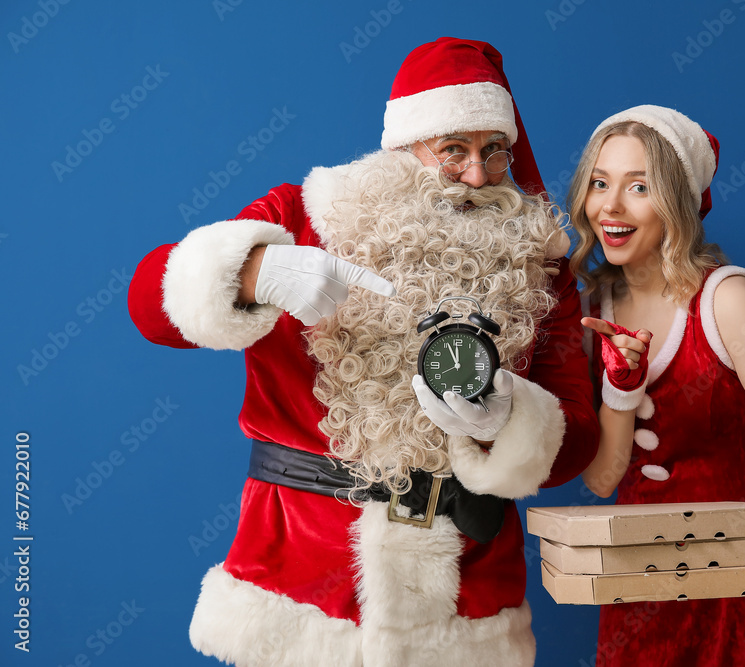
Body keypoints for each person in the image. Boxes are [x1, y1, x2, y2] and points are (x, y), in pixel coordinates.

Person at [128, 37, 598, 667]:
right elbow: (149, 307)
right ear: (403, 149)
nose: (479, 176)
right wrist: (256, 272)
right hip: (303, 582)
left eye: (495, 152)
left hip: (466, 596)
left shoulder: (541, 265)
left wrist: (510, 420)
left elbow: (579, 439)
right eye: (453, 150)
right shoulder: (302, 216)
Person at [567, 105, 745, 666]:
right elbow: (603, 481)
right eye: (599, 184)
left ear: (678, 201)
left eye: (639, 187)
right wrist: (621, 389)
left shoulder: (730, 300)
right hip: (643, 599)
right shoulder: (589, 313)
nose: (611, 206)